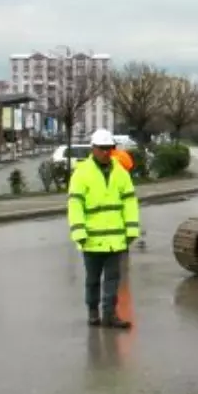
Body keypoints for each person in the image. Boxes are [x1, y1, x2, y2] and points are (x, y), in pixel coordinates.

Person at [67, 128, 140, 329]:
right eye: (102, 148)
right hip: (91, 239)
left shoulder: (120, 173)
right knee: (92, 280)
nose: (106, 152)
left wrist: (132, 229)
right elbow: (75, 204)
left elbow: (129, 202)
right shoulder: (82, 173)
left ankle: (109, 314)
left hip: (116, 240)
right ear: (93, 149)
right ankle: (93, 312)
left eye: (109, 148)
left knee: (112, 280)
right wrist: (79, 232)